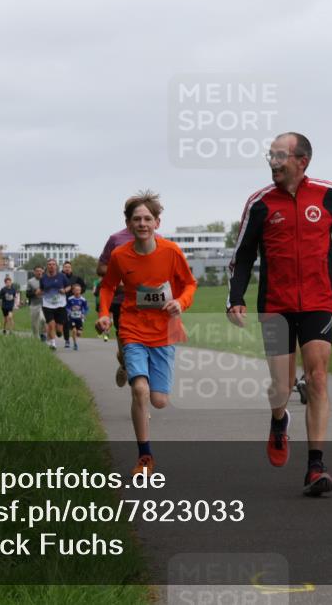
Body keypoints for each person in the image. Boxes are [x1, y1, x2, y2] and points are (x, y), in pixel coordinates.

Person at [227, 132, 332, 497]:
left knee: (318, 378)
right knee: (280, 386)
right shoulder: (260, 203)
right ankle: (279, 421)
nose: (273, 163)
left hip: (318, 298)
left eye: (280, 156)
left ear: (302, 161)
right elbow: (243, 254)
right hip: (276, 304)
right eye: (271, 157)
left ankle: (316, 465)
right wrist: (235, 297)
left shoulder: (326, 194)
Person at [97, 191, 197, 476]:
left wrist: (180, 302)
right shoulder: (120, 255)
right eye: (136, 219)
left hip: (164, 330)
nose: (142, 224)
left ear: (157, 222)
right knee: (139, 390)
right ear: (128, 225)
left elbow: (190, 285)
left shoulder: (171, 251)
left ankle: (136, 370)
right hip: (132, 327)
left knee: (159, 401)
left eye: (147, 219)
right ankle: (145, 457)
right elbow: (107, 286)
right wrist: (104, 314)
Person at [98, 227, 162, 386]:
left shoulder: (159, 238)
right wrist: (121, 276)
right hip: (122, 301)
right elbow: (101, 268)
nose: (141, 222)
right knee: (127, 349)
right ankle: (126, 365)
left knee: (149, 345)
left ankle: (142, 381)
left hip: (150, 301)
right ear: (128, 219)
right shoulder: (116, 239)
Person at [40, 258, 71, 350]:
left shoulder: (62, 276)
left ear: (56, 266)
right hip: (47, 305)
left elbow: (69, 286)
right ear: (47, 266)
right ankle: (53, 343)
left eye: (53, 264)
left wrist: (65, 290)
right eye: (49, 264)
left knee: (59, 330)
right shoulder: (43, 278)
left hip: (60, 305)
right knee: (51, 324)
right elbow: (41, 289)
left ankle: (58, 333)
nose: (51, 266)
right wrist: (38, 292)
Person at [62, 262, 86, 348]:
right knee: (65, 322)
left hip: (75, 303)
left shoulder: (76, 278)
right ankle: (67, 340)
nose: (67, 268)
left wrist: (77, 292)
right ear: (63, 268)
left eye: (69, 267)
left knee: (75, 323)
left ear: (71, 268)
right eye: (65, 267)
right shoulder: (60, 277)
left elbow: (83, 287)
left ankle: (75, 335)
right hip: (63, 302)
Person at [26, 265, 46, 342]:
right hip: (34, 305)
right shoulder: (30, 281)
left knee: (43, 320)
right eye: (37, 271)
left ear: (42, 271)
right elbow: (27, 294)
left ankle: (42, 334)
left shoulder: (46, 280)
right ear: (34, 272)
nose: (39, 272)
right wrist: (35, 293)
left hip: (44, 304)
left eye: (40, 271)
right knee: (34, 324)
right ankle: (35, 339)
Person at [66, 284, 88, 350]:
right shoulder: (70, 299)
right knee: (74, 331)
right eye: (76, 290)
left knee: (79, 333)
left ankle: (77, 335)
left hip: (79, 318)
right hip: (72, 317)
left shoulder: (83, 300)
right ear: (73, 291)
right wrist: (69, 311)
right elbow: (67, 307)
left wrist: (83, 313)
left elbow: (86, 308)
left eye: (79, 290)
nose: (78, 291)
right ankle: (75, 344)